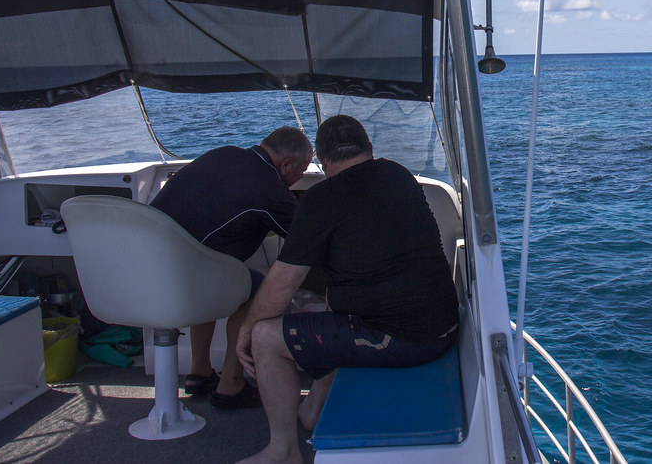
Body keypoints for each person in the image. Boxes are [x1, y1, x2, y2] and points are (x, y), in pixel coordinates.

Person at [236, 115, 459, 464]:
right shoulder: (397, 174)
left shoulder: (321, 198)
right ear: (369, 149)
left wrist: (247, 330)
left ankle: (283, 451)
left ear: (323, 163)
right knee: (332, 313)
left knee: (267, 336)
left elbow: (281, 285)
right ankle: (311, 410)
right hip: (443, 326)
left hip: (401, 340)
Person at [149, 126, 313, 409]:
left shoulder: (222, 153)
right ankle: (231, 385)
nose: (300, 178)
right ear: (285, 164)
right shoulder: (269, 188)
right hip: (184, 279)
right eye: (302, 170)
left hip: (149, 268)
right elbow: (306, 238)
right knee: (257, 288)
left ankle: (199, 372)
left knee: (215, 268)